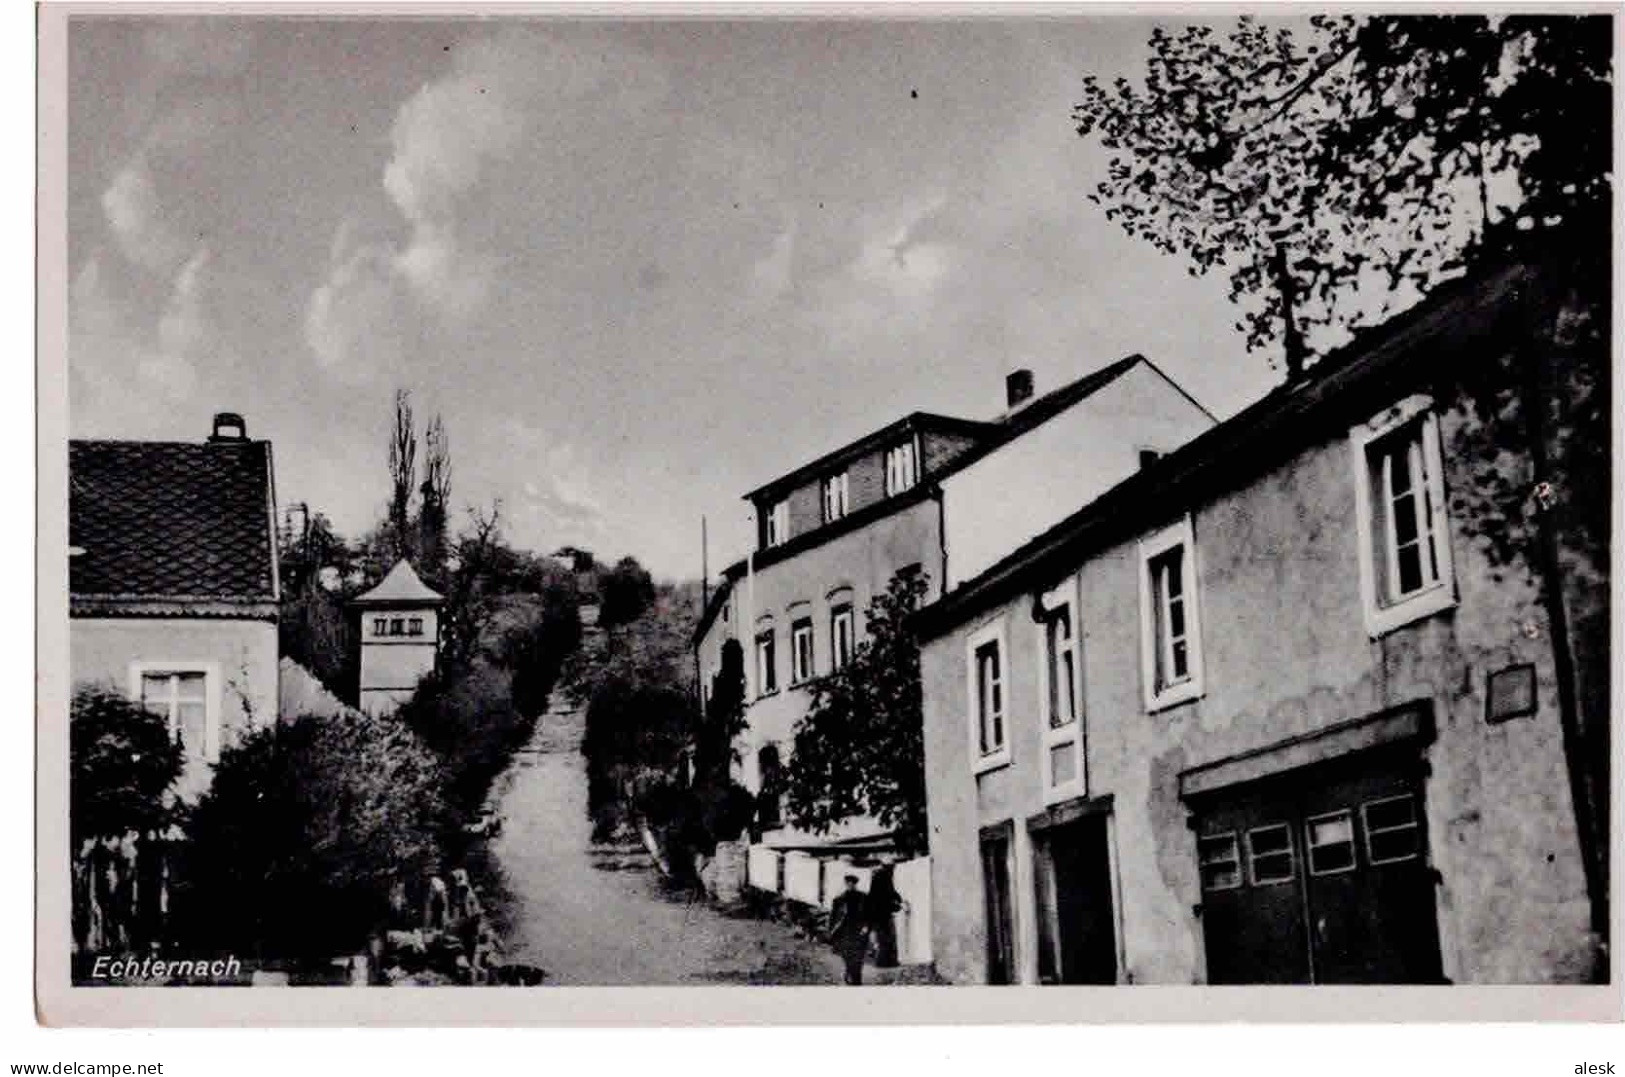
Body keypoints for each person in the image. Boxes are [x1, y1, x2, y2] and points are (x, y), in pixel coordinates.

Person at [827, 874, 869, 985]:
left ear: (856, 884)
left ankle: (856, 978)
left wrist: (866, 926)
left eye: (853, 883)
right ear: (845, 884)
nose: (850, 885)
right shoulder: (839, 899)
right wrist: (831, 931)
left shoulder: (863, 897)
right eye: (848, 883)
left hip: (859, 930)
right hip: (845, 930)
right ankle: (850, 972)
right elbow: (833, 917)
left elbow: (869, 914)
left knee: (859, 955)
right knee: (847, 954)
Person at [865, 863, 904, 969]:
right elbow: (888, 894)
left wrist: (898, 899)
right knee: (886, 938)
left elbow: (890, 893)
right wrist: (898, 903)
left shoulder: (879, 877)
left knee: (884, 938)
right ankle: (884, 962)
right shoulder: (884, 877)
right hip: (881, 914)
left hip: (878, 913)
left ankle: (886, 961)